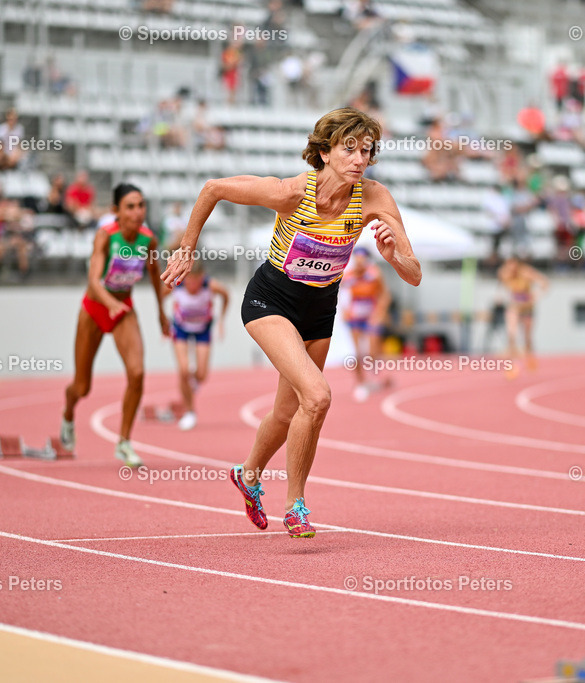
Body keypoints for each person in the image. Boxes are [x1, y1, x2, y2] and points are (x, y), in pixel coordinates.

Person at [161, 107, 421, 538]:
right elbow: (213, 189)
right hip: (271, 300)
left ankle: (248, 474)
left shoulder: (374, 198)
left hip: (320, 310)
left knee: (287, 412)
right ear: (324, 151)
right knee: (317, 397)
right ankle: (296, 505)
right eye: (349, 148)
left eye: (367, 151)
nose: (359, 158)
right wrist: (187, 249)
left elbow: (414, 274)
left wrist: (394, 257)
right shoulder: (290, 192)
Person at [61, 183, 170, 468]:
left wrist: (161, 313)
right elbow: (93, 282)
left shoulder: (149, 240)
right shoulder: (105, 236)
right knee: (82, 387)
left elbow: (154, 274)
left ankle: (123, 442)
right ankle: (69, 412)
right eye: (130, 206)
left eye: (141, 205)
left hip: (124, 310)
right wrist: (109, 302)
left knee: (137, 373)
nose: (138, 212)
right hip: (95, 309)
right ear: (116, 212)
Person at [167, 263, 229, 430]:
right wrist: (162, 320)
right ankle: (189, 412)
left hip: (203, 329)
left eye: (196, 281)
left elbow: (226, 295)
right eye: (189, 281)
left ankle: (192, 384)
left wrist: (222, 320)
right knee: (184, 370)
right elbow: (160, 295)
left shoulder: (210, 285)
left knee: (201, 375)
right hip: (181, 329)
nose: (192, 285)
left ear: (202, 277)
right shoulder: (176, 285)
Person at [341, 247, 391, 401]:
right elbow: (340, 295)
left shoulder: (374, 274)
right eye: (357, 260)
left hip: (371, 316)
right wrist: (345, 312)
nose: (359, 263)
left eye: (362, 260)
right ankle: (360, 383)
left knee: (372, 350)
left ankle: (375, 377)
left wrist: (380, 313)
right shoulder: (348, 276)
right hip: (355, 317)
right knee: (357, 353)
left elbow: (384, 295)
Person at [497, 257, 548, 378]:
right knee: (511, 335)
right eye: (508, 266)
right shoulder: (503, 273)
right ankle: (511, 366)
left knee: (527, 337)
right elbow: (500, 287)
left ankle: (530, 358)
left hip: (527, 308)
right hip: (514, 307)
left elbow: (544, 283)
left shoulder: (526, 272)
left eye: (513, 266)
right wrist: (499, 296)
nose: (511, 269)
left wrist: (537, 295)